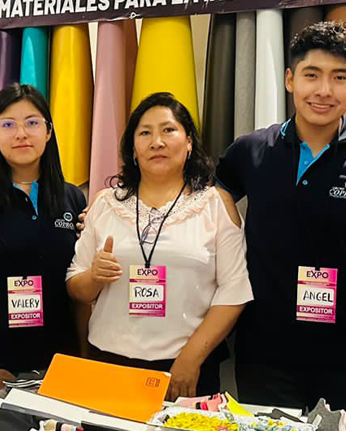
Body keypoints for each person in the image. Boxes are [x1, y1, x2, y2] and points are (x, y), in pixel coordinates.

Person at [217, 20, 346, 410]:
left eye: (340, 77)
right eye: (311, 75)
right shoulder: (249, 152)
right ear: (290, 79)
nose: (324, 90)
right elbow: (206, 206)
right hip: (264, 355)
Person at [67, 93, 253, 400]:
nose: (157, 142)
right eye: (145, 133)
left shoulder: (215, 204)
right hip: (110, 365)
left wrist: (190, 359)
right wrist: (94, 277)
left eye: (168, 130)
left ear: (189, 142)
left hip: (186, 370)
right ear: (133, 149)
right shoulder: (105, 203)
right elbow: (76, 287)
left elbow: (234, 291)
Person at [0, 83, 87, 375]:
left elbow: (78, 285)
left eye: (32, 123)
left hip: (60, 358)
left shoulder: (72, 197)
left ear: (48, 132)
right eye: (8, 125)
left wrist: (85, 354)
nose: (21, 133)